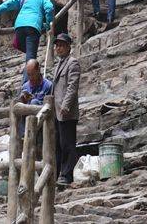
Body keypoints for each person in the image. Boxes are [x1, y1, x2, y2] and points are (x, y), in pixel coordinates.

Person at [0, 0, 54, 81]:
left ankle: (31, 75)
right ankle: (26, 86)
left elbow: (7, 4)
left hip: (19, 26)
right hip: (33, 27)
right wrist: (49, 22)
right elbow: (49, 8)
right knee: (31, 58)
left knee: (26, 50)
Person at [52, 33, 81, 186]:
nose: (59, 48)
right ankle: (58, 173)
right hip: (56, 112)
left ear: (69, 47)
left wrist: (66, 105)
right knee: (57, 144)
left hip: (66, 111)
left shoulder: (73, 63)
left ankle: (67, 174)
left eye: (62, 45)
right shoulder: (58, 64)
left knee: (67, 144)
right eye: (57, 45)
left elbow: (72, 87)